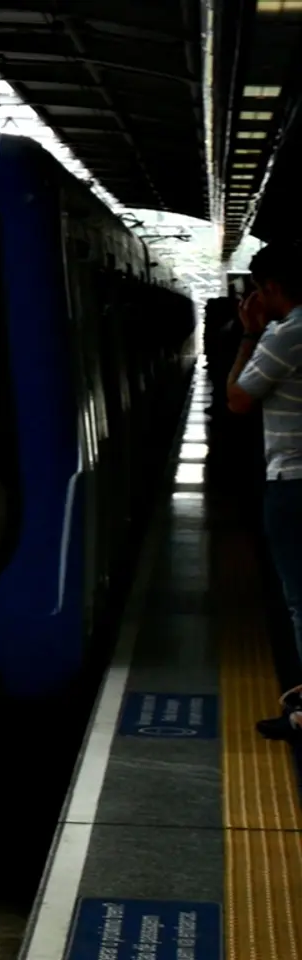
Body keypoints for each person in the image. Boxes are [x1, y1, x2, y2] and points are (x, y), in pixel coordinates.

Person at [224, 242, 302, 739]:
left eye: (258, 291)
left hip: (294, 483)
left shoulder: (286, 335)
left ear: (271, 288)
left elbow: (237, 399)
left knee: (300, 601)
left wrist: (250, 334)